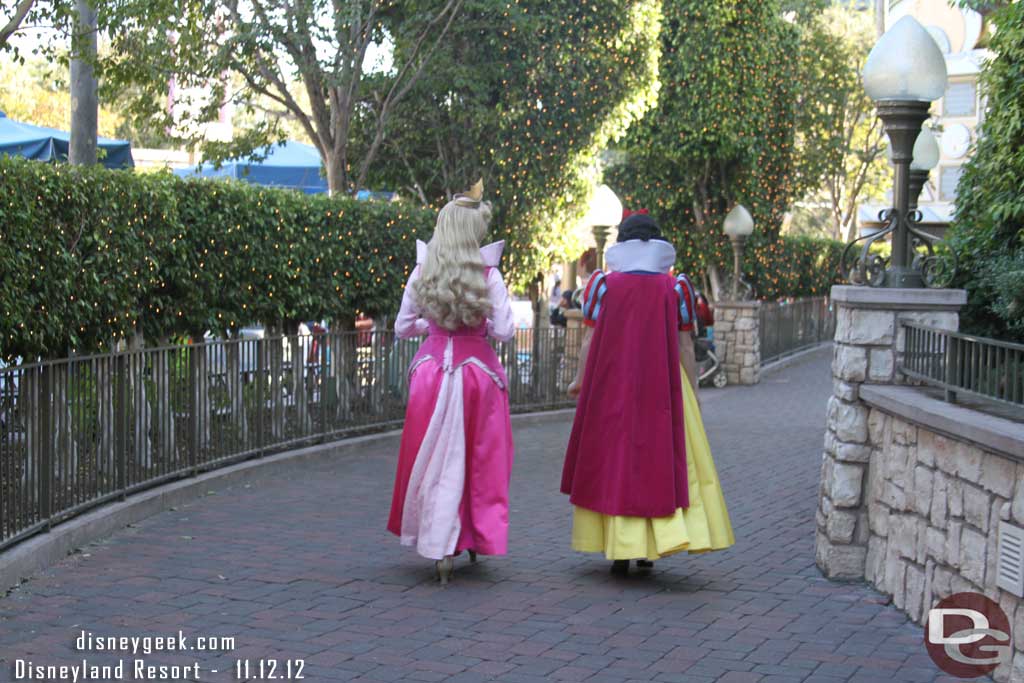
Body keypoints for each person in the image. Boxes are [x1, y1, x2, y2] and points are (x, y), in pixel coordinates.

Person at [562, 210, 734, 574]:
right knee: (661, 461)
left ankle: (620, 549)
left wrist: (580, 379)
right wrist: (693, 390)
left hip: (613, 386)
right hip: (664, 385)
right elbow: (685, 345)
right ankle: (649, 550)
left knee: (615, 461)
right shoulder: (675, 289)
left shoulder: (602, 285)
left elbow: (590, 339)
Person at [387, 180, 516, 585]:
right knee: (476, 460)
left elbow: (403, 327)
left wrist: (433, 325)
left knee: (432, 461)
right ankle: (470, 534)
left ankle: (437, 542)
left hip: (430, 374)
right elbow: (507, 331)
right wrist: (479, 325)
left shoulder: (424, 270)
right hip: (478, 374)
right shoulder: (488, 274)